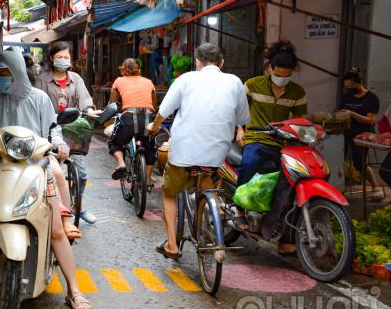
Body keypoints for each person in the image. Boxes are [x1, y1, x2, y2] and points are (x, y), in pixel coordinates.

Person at [0, 49, 91, 309]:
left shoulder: (39, 99)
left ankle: (74, 290)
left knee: (57, 231)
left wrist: (59, 144)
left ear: (17, 73)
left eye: (5, 73)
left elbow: (53, 129)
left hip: (37, 168)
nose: (1, 78)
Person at [147, 43, 249, 259]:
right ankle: (217, 218)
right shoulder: (235, 81)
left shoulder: (186, 79)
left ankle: (172, 245)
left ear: (197, 62)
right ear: (222, 63)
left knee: (169, 193)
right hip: (217, 152)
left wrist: (154, 126)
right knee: (206, 180)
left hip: (185, 150)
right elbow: (242, 119)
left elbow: (164, 110)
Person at [235, 41, 306, 250]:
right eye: (279, 74)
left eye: (287, 75)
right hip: (256, 138)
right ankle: (238, 207)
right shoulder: (253, 84)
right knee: (250, 161)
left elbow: (301, 120)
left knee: (291, 183)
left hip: (283, 143)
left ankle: (283, 234)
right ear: (269, 69)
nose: (282, 79)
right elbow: (240, 109)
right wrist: (240, 128)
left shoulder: (297, 92)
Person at [35, 41, 99, 224]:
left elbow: (85, 100)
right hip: (47, 129)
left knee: (81, 174)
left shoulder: (76, 79)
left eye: (66, 57)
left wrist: (91, 110)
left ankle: (77, 205)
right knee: (49, 172)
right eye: (59, 57)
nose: (63, 60)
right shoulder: (41, 79)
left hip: (71, 130)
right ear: (51, 58)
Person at [108, 58, 157, 188]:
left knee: (114, 142)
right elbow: (154, 104)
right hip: (148, 118)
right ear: (139, 70)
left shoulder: (119, 81)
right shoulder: (148, 82)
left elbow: (113, 104)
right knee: (150, 147)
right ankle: (147, 178)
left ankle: (121, 164)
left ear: (123, 70)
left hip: (128, 118)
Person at [339, 70, 382, 198]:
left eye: (352, 87)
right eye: (347, 87)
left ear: (360, 83)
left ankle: (376, 186)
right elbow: (342, 112)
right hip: (345, 131)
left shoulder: (371, 98)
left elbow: (371, 120)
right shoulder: (346, 96)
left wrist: (352, 113)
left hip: (363, 134)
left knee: (359, 163)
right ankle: (340, 187)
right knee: (338, 159)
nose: (349, 89)